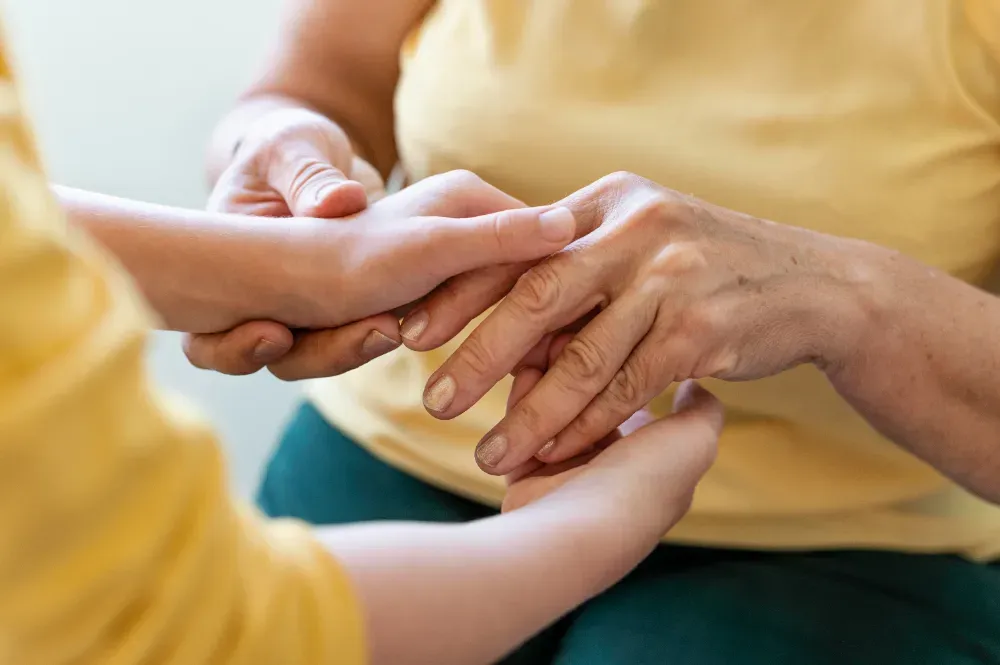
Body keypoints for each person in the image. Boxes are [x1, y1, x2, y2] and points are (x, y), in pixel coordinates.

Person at [195, 1, 1000, 662]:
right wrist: (284, 158)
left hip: (843, 548)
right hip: (390, 454)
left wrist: (849, 299)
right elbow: (313, 90)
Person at [0, 29, 732, 662]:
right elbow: (185, 633)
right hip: (401, 451)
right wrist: (588, 528)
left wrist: (300, 268)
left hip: (790, 538)